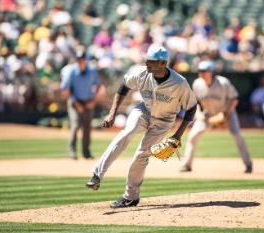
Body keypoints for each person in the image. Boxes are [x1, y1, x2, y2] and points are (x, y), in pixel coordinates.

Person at [86, 44, 197, 208]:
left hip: (164, 121)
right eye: (147, 60)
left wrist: (178, 135)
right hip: (144, 110)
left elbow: (191, 108)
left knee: (141, 155)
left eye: (151, 61)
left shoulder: (179, 83)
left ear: (163, 63)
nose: (147, 63)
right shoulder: (140, 73)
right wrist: (112, 113)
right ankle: (97, 174)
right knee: (127, 133)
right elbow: (124, 87)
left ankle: (130, 197)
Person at [181, 60, 253, 173]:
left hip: (227, 112)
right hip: (208, 114)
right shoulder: (197, 84)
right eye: (200, 71)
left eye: (204, 71)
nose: (201, 73)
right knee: (192, 137)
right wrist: (199, 115)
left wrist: (225, 115)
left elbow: (234, 99)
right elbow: (196, 102)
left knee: (237, 135)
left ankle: (248, 164)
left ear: (211, 72)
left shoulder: (223, 83)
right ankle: (187, 165)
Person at [60, 51, 101, 160]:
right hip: (75, 101)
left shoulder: (92, 70)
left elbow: (98, 85)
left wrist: (93, 100)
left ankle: (86, 152)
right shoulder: (72, 71)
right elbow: (66, 89)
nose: (80, 62)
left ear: (85, 60)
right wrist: (77, 104)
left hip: (88, 101)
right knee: (76, 125)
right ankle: (72, 151)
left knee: (87, 127)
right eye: (78, 60)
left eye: (82, 60)